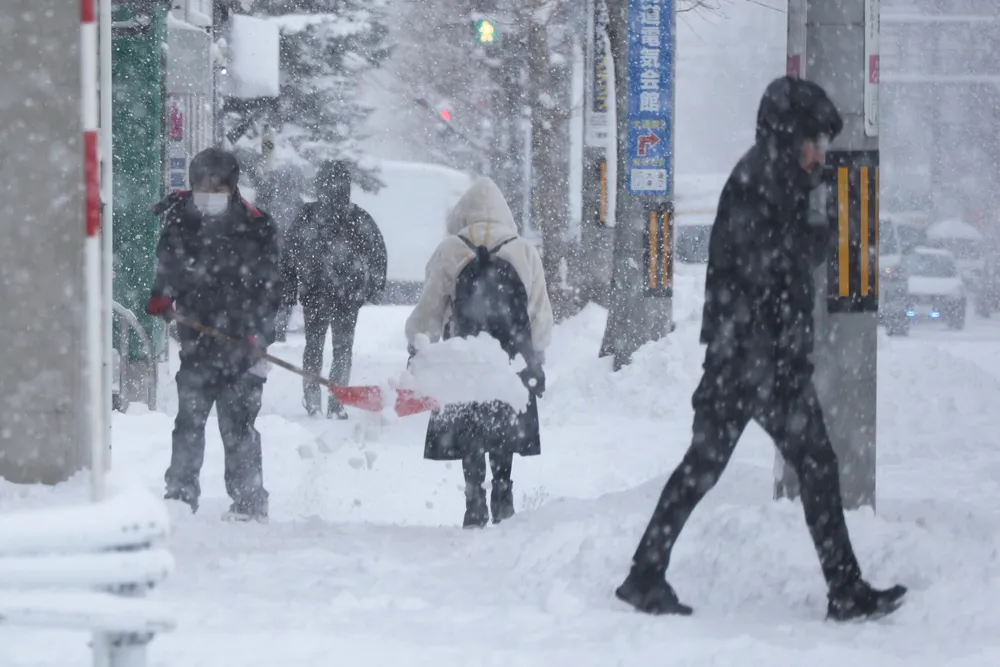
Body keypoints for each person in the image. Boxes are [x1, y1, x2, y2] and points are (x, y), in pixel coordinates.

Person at [614, 77, 907, 621]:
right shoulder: (760, 181)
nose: (819, 154)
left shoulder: (777, 180)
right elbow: (768, 266)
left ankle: (646, 574)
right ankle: (841, 588)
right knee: (797, 466)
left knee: (724, 465)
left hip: (754, 358)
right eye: (814, 141)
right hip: (754, 360)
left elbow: (779, 264)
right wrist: (818, 235)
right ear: (789, 133)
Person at [405, 177, 553, 528]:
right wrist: (537, 353)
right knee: (503, 420)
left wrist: (418, 344)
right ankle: (503, 493)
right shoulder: (523, 250)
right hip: (511, 356)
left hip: (466, 352)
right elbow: (540, 315)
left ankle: (474, 500)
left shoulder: (450, 249)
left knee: (469, 423)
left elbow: (430, 310)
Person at [146, 147, 281, 522]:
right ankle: (180, 495)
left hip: (243, 346)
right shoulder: (180, 219)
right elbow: (168, 263)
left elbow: (272, 291)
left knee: (238, 426)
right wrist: (161, 295)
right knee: (188, 423)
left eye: (217, 187)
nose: (209, 193)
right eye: (202, 185)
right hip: (198, 343)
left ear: (232, 187)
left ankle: (249, 501)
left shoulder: (256, 226)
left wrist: (259, 335)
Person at [280, 160, 387, 419]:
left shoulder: (308, 217)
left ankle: (314, 402)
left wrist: (289, 290)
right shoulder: (357, 217)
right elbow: (377, 253)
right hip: (346, 295)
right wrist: (374, 287)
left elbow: (288, 256)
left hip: (316, 292)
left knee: (314, 347)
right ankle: (336, 404)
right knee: (342, 349)